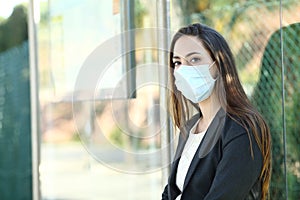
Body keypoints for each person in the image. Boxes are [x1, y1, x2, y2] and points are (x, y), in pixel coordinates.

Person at [161, 23, 271, 200]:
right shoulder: (191, 127)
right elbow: (171, 192)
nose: (182, 70)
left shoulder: (242, 129)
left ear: (218, 65)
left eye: (194, 59)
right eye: (177, 62)